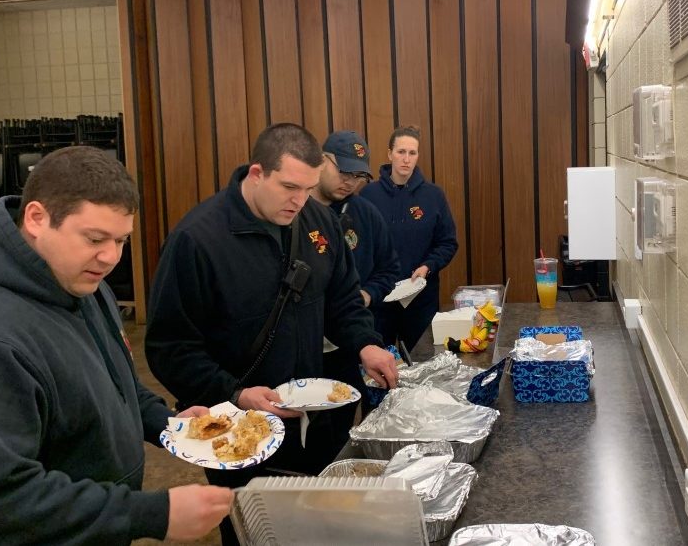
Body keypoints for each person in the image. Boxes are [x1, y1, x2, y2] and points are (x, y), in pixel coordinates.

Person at [0, 145, 232, 545]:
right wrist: (152, 514)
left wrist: (171, 427)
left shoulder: (83, 283)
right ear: (36, 218)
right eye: (95, 238)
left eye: (121, 240)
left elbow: (117, 385)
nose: (110, 257)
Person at [144, 123, 399, 545]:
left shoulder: (319, 222)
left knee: (315, 526)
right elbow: (170, 349)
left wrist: (365, 343)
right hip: (238, 431)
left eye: (308, 188)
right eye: (289, 187)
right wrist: (235, 393)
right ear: (257, 173)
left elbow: (343, 302)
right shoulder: (197, 240)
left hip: (309, 414)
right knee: (253, 532)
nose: (300, 201)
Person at [312, 130, 401, 456]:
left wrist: (366, 296)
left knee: (340, 434)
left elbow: (389, 270)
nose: (350, 182)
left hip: (348, 345)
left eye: (359, 176)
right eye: (343, 172)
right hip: (302, 351)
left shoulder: (365, 215)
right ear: (322, 161)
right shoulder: (294, 213)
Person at [360, 125, 459, 352]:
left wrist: (428, 266)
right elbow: (360, 246)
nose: (406, 159)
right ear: (389, 154)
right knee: (379, 366)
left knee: (422, 360)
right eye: (400, 152)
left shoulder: (433, 195)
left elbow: (447, 242)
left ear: (417, 156)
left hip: (419, 298)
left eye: (412, 153)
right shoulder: (368, 195)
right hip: (379, 300)